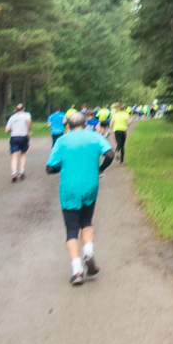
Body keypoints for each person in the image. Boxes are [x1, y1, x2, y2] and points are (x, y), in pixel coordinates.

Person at [46, 113, 114, 286]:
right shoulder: (95, 136)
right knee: (87, 220)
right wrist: (100, 169)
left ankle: (77, 271)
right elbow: (111, 154)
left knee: (71, 228)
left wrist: (60, 168)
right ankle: (88, 252)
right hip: (90, 185)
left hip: (68, 187)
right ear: (85, 124)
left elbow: (49, 167)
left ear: (68, 125)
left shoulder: (62, 141)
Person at [5, 103, 32, 182]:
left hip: (14, 137)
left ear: (16, 109)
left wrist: (13, 129)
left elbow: (6, 130)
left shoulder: (12, 117)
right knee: (23, 154)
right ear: (23, 109)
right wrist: (29, 130)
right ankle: (21, 171)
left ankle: (14, 173)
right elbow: (28, 121)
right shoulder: (26, 115)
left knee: (14, 156)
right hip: (23, 137)